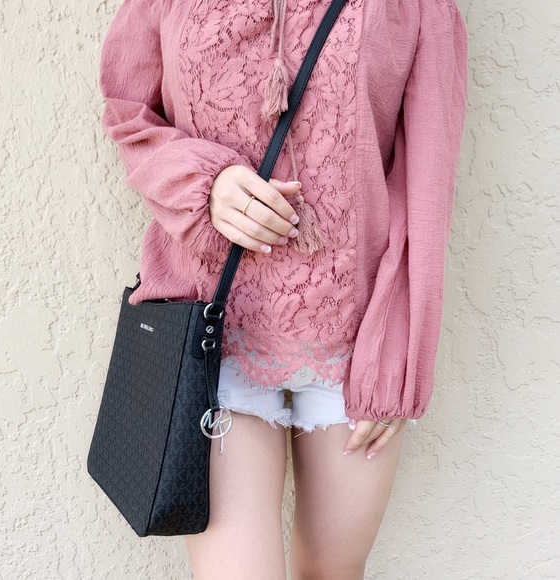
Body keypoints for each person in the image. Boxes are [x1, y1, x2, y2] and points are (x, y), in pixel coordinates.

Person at [98, 0, 467, 577]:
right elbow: (129, 113)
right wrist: (203, 184)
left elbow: (426, 180)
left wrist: (399, 355)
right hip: (212, 332)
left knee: (330, 572)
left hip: (356, 337)